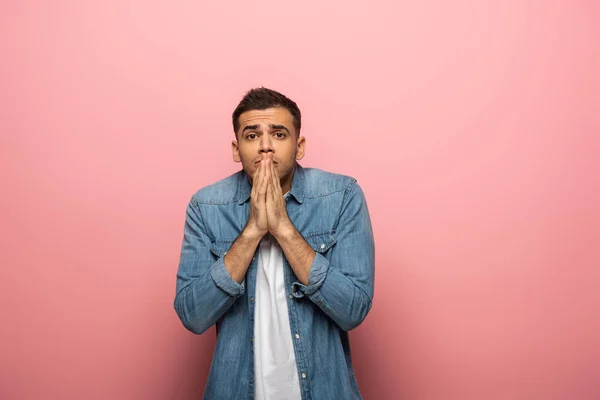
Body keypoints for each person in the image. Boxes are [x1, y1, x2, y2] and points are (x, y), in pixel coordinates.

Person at [174, 87, 375, 399]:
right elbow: (193, 315)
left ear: (299, 145)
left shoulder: (342, 196)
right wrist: (253, 230)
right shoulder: (206, 206)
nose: (265, 146)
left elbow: (353, 310)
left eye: (279, 134)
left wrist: (283, 228)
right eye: (252, 136)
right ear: (235, 148)